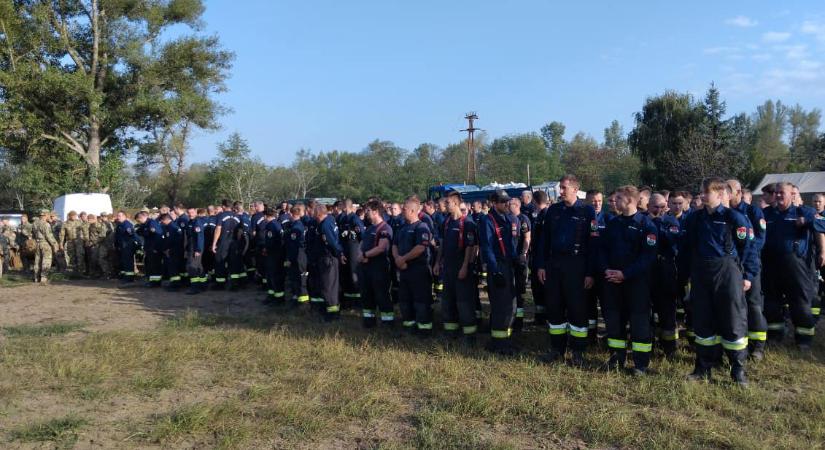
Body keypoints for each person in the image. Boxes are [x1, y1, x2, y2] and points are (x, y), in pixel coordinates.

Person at [679, 177, 754, 386]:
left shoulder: (734, 218)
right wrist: (683, 275)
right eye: (701, 192)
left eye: (706, 192)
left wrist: (747, 276)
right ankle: (703, 368)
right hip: (701, 275)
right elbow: (686, 248)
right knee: (703, 322)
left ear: (720, 195)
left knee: (733, 322)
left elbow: (749, 249)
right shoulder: (695, 219)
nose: (702, 196)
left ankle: (737, 371)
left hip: (728, 274)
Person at [536, 175, 598, 365]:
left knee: (578, 310)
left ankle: (578, 352)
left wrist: (590, 272)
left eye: (563, 188)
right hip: (555, 265)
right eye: (560, 188)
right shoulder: (553, 210)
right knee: (554, 308)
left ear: (574, 189)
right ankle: (557, 349)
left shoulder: (587, 211)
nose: (560, 191)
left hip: (577, 265)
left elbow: (593, 244)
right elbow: (543, 241)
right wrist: (540, 265)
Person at [599, 186, 658, 374]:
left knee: (639, 323)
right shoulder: (613, 223)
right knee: (615, 322)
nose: (614, 201)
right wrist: (607, 269)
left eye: (619, 198)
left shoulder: (646, 225)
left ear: (631, 201)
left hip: (636, 283)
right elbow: (602, 250)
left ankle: (640, 364)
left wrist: (625, 274)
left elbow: (648, 257)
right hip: (613, 282)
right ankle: (617, 358)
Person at [762, 182, 825, 350]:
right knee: (772, 303)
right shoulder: (767, 214)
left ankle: (803, 339)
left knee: (800, 302)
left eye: (782, 193)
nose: (778, 195)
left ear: (792, 194)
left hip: (795, 265)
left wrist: (808, 220)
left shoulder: (803, 212)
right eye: (776, 193)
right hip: (771, 264)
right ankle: (775, 335)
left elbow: (823, 224)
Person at [728, 179, 768, 360]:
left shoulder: (753, 211)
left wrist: (744, 259)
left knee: (753, 305)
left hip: (749, 264)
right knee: (734, 306)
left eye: (730, 189)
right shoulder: (725, 213)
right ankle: (739, 343)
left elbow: (758, 240)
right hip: (730, 267)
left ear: (739, 192)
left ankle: (758, 345)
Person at [434, 190, 478, 342]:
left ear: (456, 203)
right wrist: (438, 262)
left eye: (447, 202)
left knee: (464, 302)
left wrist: (465, 266)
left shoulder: (468, 223)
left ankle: (469, 336)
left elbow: (470, 247)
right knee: (448, 300)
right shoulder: (446, 222)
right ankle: (450, 332)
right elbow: (443, 244)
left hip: (461, 267)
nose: (445, 205)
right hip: (448, 268)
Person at [479, 190, 520, 354]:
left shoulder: (510, 218)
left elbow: (514, 242)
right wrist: (495, 271)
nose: (506, 204)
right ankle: (498, 343)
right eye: (503, 202)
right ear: (495, 203)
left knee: (511, 305)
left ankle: (506, 340)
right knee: (501, 306)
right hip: (498, 266)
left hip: (509, 265)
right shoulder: (487, 220)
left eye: (507, 202)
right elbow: (487, 247)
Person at [647, 193, 682, 357]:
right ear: (648, 206)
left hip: (665, 268)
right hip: (647, 269)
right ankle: (649, 345)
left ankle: (669, 348)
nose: (659, 210)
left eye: (662, 207)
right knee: (646, 310)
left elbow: (672, 241)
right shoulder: (641, 220)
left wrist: (658, 223)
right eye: (655, 207)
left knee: (667, 309)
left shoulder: (671, 221)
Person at [393, 196, 433, 334]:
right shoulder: (402, 227)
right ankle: (409, 326)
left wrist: (403, 259)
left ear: (412, 211)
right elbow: (394, 245)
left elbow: (420, 248)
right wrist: (398, 258)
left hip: (418, 270)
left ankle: (424, 329)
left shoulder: (422, 227)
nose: (402, 211)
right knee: (405, 299)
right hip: (403, 270)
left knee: (421, 301)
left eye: (404, 209)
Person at [358, 199, 395, 328]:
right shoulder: (369, 228)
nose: (366, 213)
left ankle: (387, 323)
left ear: (375, 212)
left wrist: (365, 255)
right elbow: (362, 243)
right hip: (365, 267)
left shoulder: (385, 228)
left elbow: (381, 247)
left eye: (368, 211)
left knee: (381, 295)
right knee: (367, 295)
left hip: (379, 267)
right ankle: (369, 322)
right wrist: (360, 254)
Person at [314, 203, 345, 321]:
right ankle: (332, 309)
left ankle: (332, 313)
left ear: (318, 213)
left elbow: (331, 242)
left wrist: (339, 253)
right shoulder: (330, 220)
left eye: (314, 213)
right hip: (329, 258)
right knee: (330, 285)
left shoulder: (325, 225)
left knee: (329, 286)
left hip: (328, 258)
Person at [508, 197, 531, 332]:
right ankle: (511, 317)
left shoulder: (523, 219)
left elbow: (527, 238)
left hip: (520, 260)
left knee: (520, 291)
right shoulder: (507, 218)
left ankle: (519, 322)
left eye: (509, 204)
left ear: (516, 205)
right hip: (510, 260)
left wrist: (523, 253)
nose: (507, 206)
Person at [529, 191, 550, 326]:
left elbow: (544, 242)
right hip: (537, 258)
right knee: (537, 290)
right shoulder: (540, 216)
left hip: (543, 261)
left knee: (544, 290)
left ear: (534, 202)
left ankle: (546, 318)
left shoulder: (546, 216)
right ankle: (540, 318)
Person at [339, 199, 364, 304]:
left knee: (354, 273)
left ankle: (357, 300)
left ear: (345, 207)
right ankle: (348, 299)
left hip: (354, 247)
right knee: (346, 273)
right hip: (345, 248)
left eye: (342, 206)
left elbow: (362, 234)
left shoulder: (355, 219)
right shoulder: (342, 218)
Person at [285, 204, 309, 305]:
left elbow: (294, 245)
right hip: (298, 254)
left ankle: (302, 301)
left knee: (300, 277)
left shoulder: (296, 227)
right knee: (295, 276)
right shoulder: (298, 225)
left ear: (293, 214)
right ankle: (297, 296)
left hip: (298, 255)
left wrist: (290, 258)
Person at [262, 206, 286, 303]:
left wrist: (265, 249)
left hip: (274, 255)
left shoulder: (271, 226)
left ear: (266, 216)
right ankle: (272, 295)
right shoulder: (277, 224)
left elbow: (271, 242)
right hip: (277, 254)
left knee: (274, 276)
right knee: (273, 276)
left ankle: (278, 298)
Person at [136, 211, 164, 287]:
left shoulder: (152, 223)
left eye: (139, 220)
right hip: (149, 248)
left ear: (142, 217)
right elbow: (139, 232)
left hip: (154, 248)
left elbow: (158, 235)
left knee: (154, 266)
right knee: (149, 265)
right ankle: (152, 281)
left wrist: (156, 248)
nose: (139, 222)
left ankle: (155, 282)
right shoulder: (145, 224)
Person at [185, 208, 207, 294]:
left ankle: (195, 287)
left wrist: (198, 249)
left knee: (192, 267)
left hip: (195, 248)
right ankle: (203, 284)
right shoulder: (190, 222)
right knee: (199, 267)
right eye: (189, 213)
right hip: (191, 247)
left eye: (192, 212)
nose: (190, 214)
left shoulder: (197, 222)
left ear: (196, 213)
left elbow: (199, 237)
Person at [160, 213, 184, 290]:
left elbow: (176, 241)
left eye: (162, 221)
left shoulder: (173, 228)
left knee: (174, 268)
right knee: (171, 268)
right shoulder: (168, 227)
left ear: (167, 219)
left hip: (174, 251)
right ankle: (173, 283)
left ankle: (175, 285)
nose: (161, 222)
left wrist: (168, 249)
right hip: (170, 251)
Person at [59, 211, 86, 275]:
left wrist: (86, 240)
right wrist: (61, 243)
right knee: (71, 256)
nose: (74, 217)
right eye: (73, 215)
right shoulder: (65, 223)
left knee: (80, 255)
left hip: (79, 241)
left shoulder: (79, 222)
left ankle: (80, 271)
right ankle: (73, 271)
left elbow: (85, 231)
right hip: (70, 242)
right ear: (69, 216)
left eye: (75, 215)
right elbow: (62, 234)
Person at [114, 211, 136, 283]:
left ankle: (129, 278)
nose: (118, 217)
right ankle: (124, 275)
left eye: (119, 216)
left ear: (124, 216)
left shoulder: (127, 225)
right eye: (118, 216)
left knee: (128, 262)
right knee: (123, 262)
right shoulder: (120, 225)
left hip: (127, 246)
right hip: (122, 246)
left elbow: (131, 235)